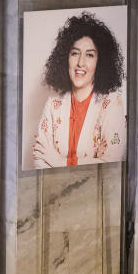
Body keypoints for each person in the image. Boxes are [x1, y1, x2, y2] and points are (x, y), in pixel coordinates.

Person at [32, 12, 126, 168]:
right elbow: (39, 159)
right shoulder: (52, 105)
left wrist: (60, 161)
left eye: (89, 55)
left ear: (100, 62)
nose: (80, 63)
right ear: (65, 58)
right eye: (75, 53)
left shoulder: (111, 104)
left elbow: (112, 161)